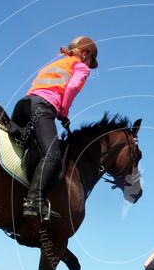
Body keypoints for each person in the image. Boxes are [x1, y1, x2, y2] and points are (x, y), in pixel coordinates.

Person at [14, 36, 98, 220]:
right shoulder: (81, 67)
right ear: (85, 54)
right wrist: (63, 111)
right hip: (42, 107)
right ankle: (35, 201)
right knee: (52, 155)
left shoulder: (57, 63)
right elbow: (72, 87)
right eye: (91, 60)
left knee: (31, 148)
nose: (90, 65)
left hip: (23, 105)